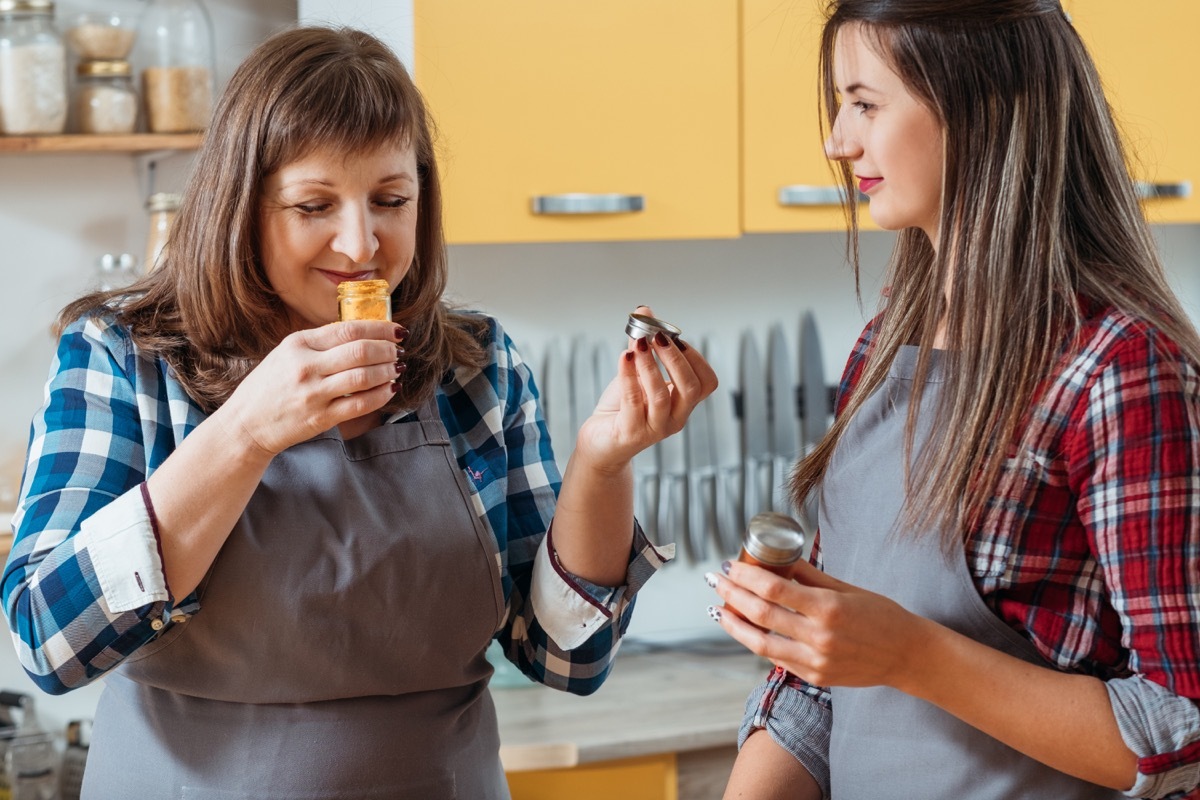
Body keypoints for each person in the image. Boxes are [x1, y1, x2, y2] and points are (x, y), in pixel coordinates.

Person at [1, 26, 717, 799]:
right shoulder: (125, 358)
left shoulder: (477, 366)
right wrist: (246, 432)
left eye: (391, 200)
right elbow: (47, 639)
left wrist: (603, 464)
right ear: (242, 209)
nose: (361, 241)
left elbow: (564, 658)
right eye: (314, 204)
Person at [706, 2, 1200, 799]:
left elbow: (1183, 728)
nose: (839, 141)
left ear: (982, 103)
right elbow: (814, 687)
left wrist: (910, 653)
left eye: (866, 104)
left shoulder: (1118, 368)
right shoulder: (881, 349)